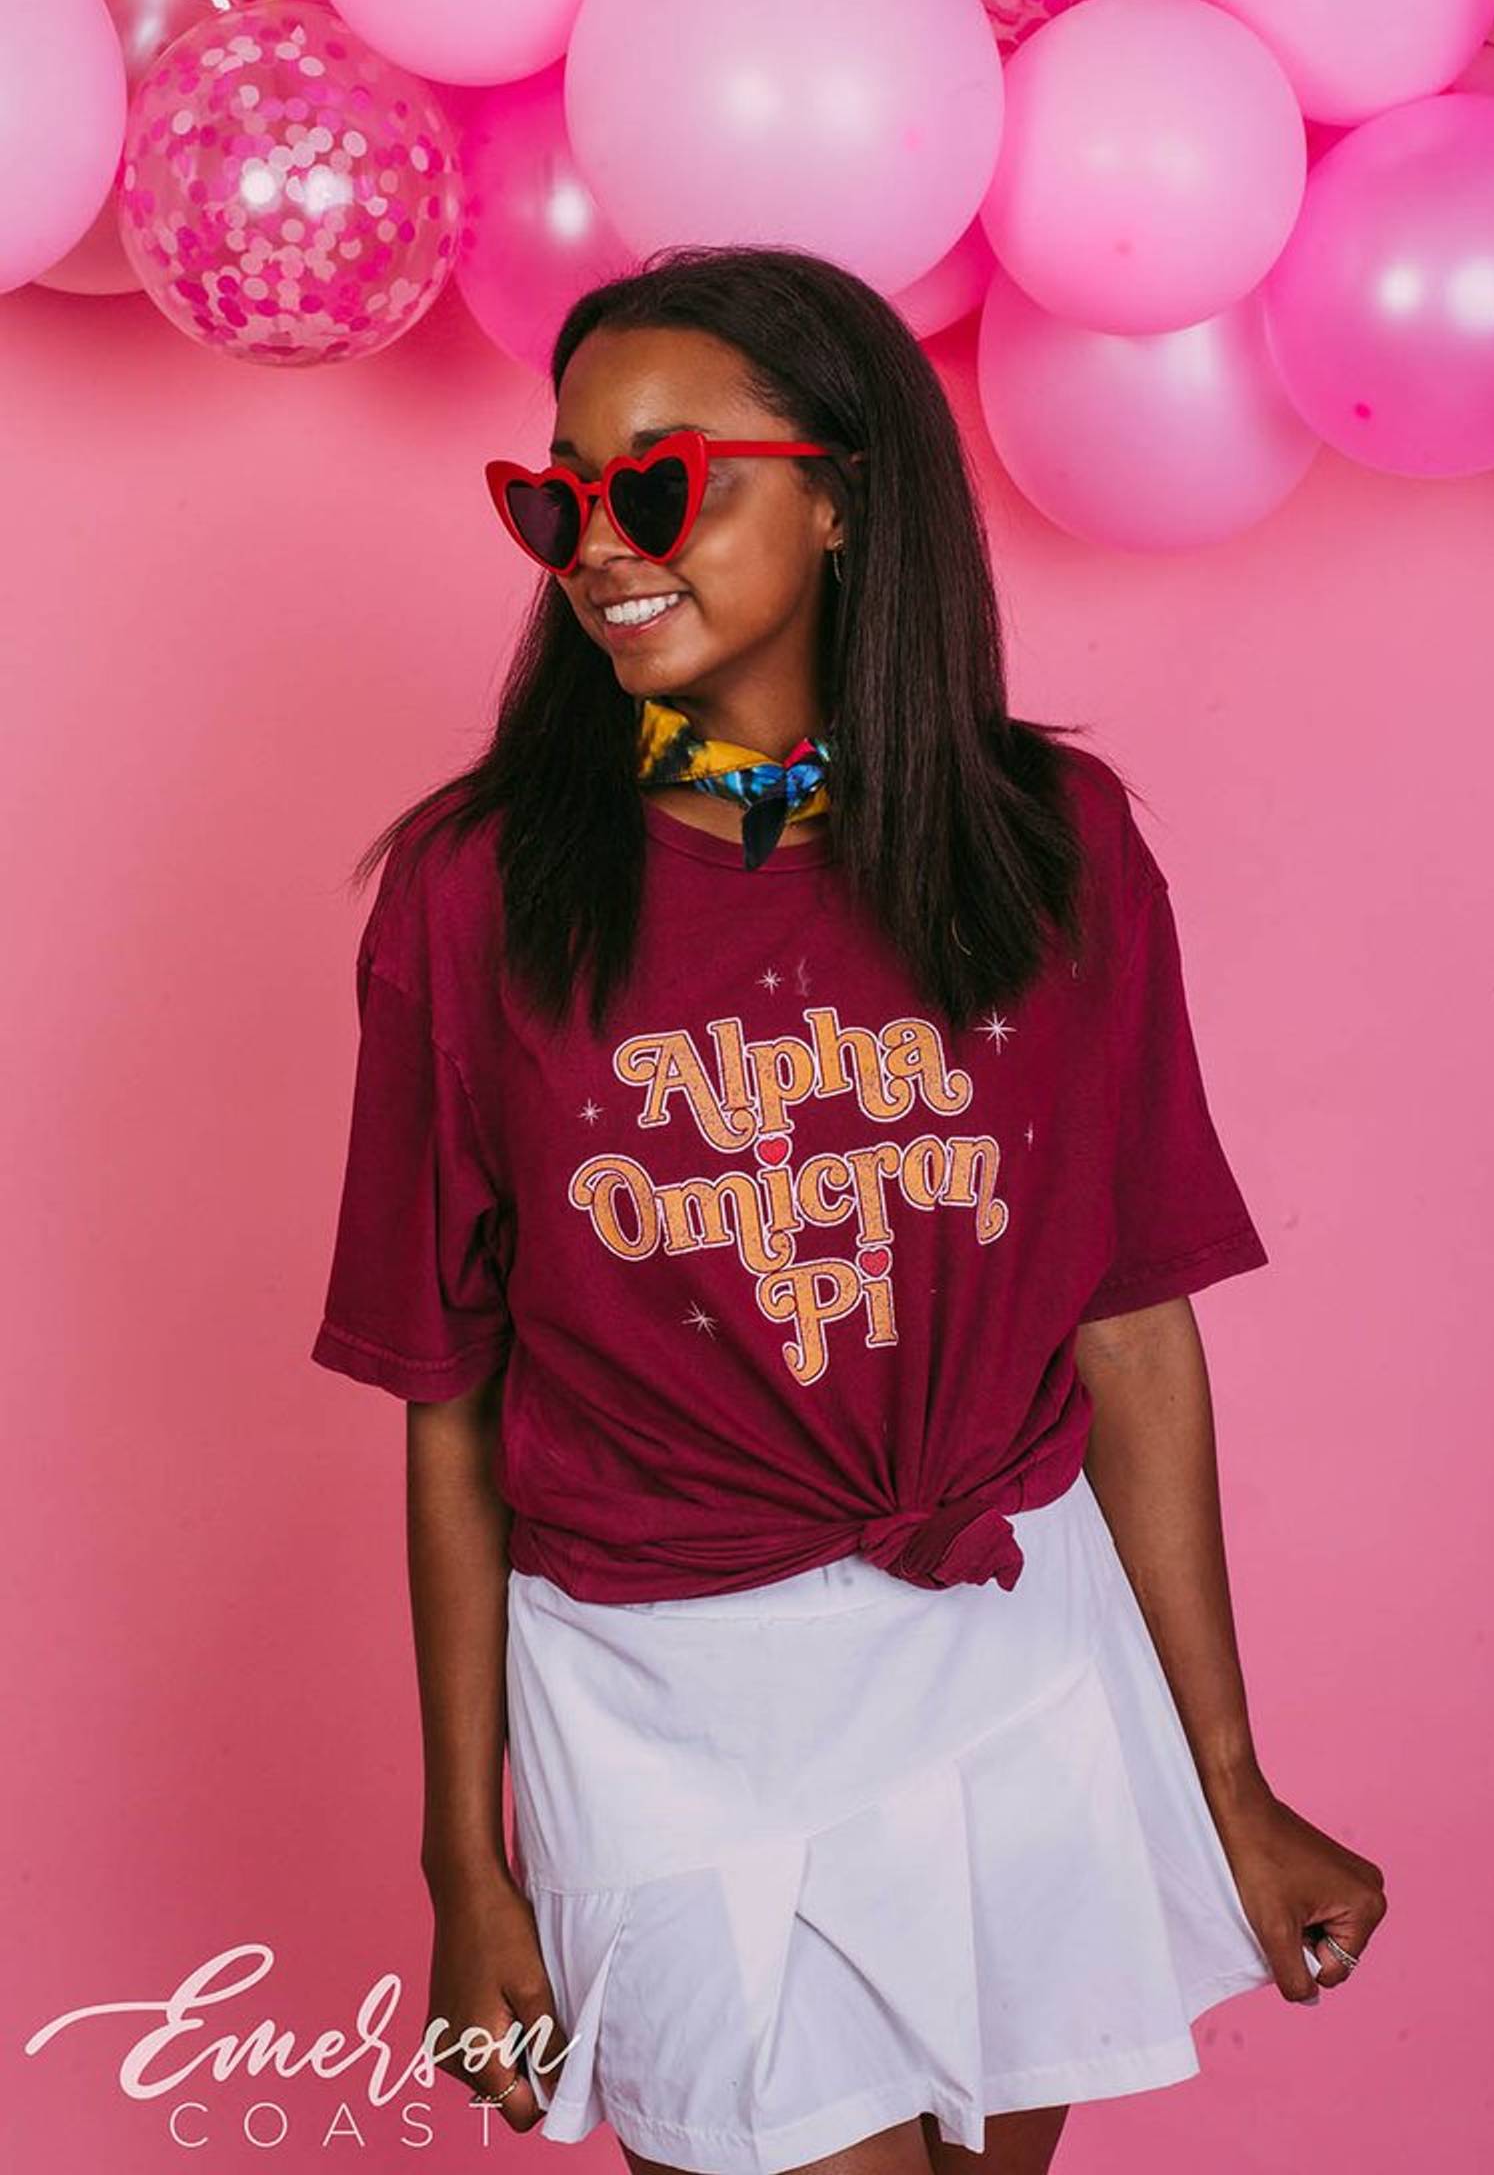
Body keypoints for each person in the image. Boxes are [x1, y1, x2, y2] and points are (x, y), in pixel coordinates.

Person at [310, 242, 1385, 2175]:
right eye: (558, 497)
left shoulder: (1054, 851)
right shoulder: (476, 900)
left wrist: (1229, 1780)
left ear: (841, 494)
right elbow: (447, 1399)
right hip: (663, 1705)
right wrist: (467, 1865)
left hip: (1012, 1657)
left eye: (661, 483)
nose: (597, 546)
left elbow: (1132, 1322)